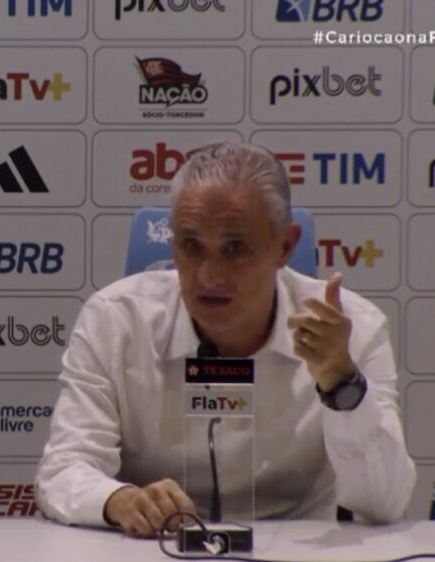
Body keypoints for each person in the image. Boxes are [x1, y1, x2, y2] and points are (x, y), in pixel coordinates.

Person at [35, 141, 415, 535]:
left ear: (284, 245)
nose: (209, 277)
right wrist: (119, 500)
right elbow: (63, 470)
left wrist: (341, 383)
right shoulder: (115, 321)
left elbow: (385, 502)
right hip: (153, 549)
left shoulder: (351, 330)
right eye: (191, 246)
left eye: (234, 248)